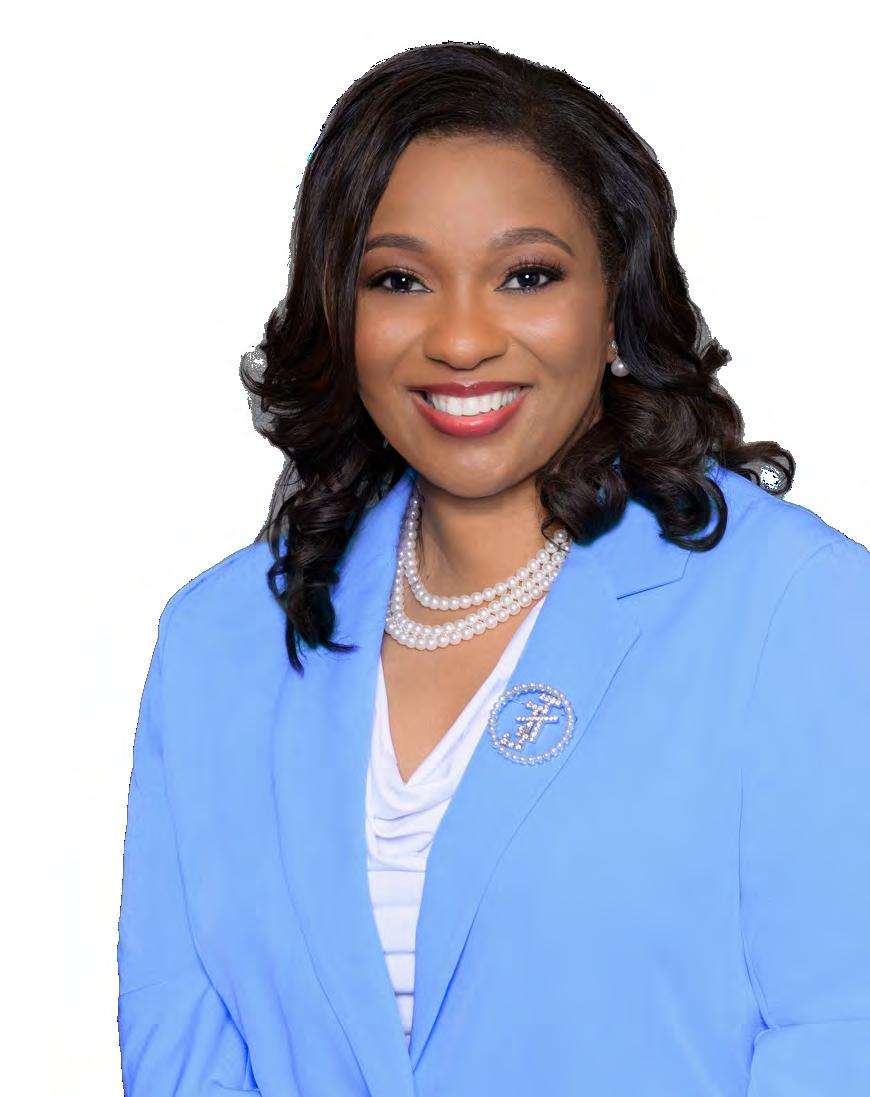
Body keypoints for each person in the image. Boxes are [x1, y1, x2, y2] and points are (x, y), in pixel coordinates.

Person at [117, 42, 870, 1097]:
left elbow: (842, 1031)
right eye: (399, 279)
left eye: (527, 275)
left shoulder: (794, 608)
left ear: (615, 298)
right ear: (340, 310)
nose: (462, 339)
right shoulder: (217, 643)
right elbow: (182, 1048)